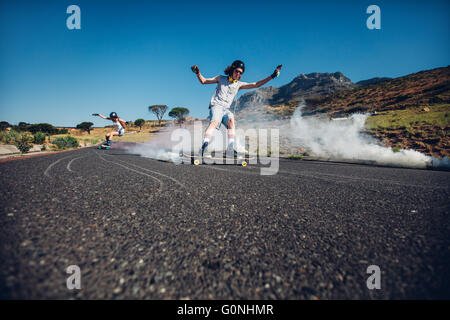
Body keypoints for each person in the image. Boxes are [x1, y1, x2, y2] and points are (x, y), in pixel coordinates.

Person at [191, 60, 282, 156]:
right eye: (237, 71)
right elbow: (204, 81)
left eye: (240, 72)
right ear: (232, 70)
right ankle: (204, 147)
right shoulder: (220, 78)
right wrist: (198, 73)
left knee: (231, 121)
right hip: (217, 105)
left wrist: (272, 76)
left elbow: (256, 84)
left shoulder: (239, 84)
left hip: (226, 109)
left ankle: (230, 148)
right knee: (214, 122)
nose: (238, 73)